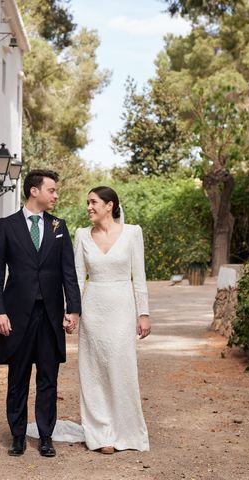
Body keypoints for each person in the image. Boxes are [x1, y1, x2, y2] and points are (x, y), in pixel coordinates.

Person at [0, 169, 81, 458]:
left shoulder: (59, 226)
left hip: (50, 317)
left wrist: (73, 309)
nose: (56, 195)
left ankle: (45, 436)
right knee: (17, 379)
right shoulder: (6, 225)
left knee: (48, 380)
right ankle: (17, 435)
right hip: (16, 317)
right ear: (34, 191)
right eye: (51, 190)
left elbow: (69, 273)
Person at [71, 185, 151, 453]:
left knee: (121, 369)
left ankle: (126, 432)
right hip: (92, 309)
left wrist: (144, 313)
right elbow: (76, 278)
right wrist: (71, 312)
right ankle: (101, 433)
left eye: (94, 202)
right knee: (93, 371)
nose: (89, 207)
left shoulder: (132, 233)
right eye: (88, 203)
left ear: (110, 205)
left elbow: (138, 277)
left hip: (122, 308)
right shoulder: (82, 235)